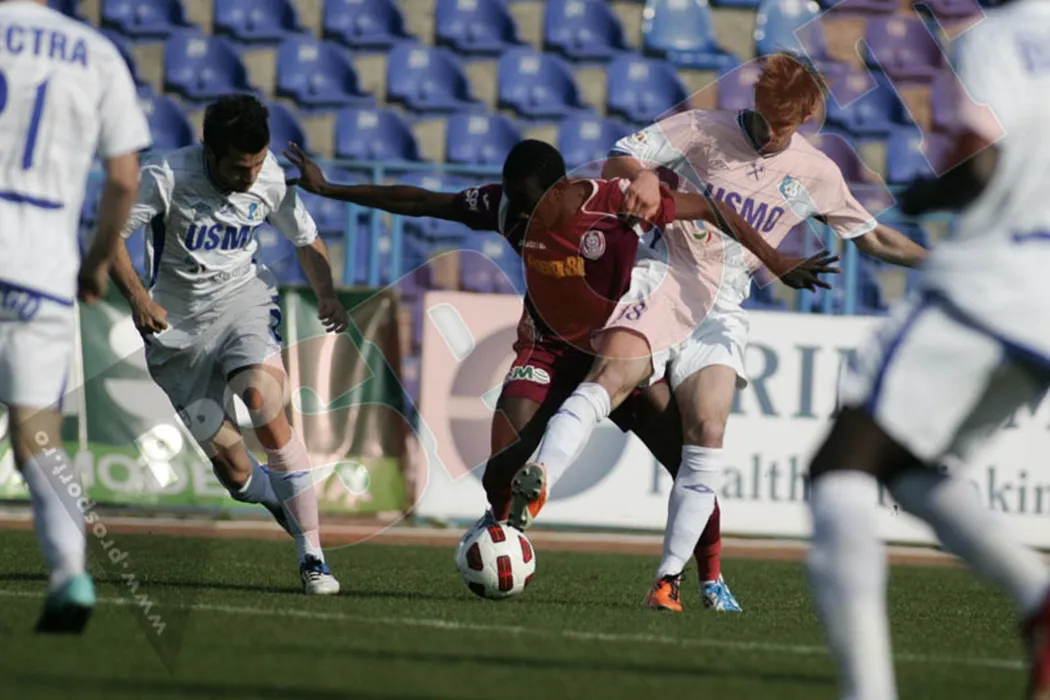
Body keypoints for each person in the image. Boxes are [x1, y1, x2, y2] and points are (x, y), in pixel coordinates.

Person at [283, 139, 831, 611]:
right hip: (547, 351)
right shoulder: (508, 208)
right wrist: (331, 189)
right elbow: (424, 201)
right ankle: (501, 528)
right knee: (501, 466)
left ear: (561, 188)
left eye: (532, 206)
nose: (524, 217)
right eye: (517, 206)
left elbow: (708, 207)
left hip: (619, 352)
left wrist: (777, 261)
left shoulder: (615, 203)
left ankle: (711, 578)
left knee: (689, 460)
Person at [510, 52, 925, 612]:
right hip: (664, 276)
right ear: (755, 102)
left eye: (785, 126)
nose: (772, 134)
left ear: (805, 119)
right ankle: (541, 474)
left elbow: (873, 237)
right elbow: (621, 156)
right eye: (767, 119)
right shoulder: (704, 129)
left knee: (707, 428)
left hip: (723, 305)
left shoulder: (817, 173)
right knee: (610, 377)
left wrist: (943, 262)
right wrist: (644, 178)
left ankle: (668, 580)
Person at [806, 1, 1050, 697]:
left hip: (995, 282)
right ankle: (1038, 598)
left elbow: (980, 166)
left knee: (838, 468)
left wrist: (915, 198)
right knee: (906, 468)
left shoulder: (998, 39)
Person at [108, 95, 349, 595]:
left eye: (257, 164)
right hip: (176, 333)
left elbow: (306, 238)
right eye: (240, 168)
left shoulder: (270, 178)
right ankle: (281, 499)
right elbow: (109, 236)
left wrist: (327, 293)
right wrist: (137, 297)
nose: (250, 176)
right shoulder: (166, 176)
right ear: (209, 153)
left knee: (264, 400)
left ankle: (313, 556)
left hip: (244, 303)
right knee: (237, 474)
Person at [0, 0, 151, 631]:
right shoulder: (96, 53)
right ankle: (69, 574)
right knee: (38, 437)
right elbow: (124, 179)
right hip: (40, 267)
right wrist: (95, 263)